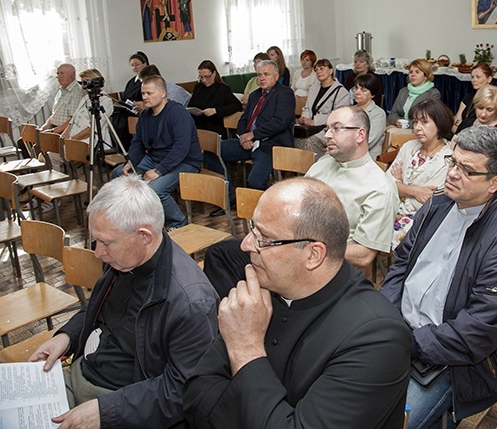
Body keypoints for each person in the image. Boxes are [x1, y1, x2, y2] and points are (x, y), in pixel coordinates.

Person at [184, 178, 411, 429]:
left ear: (313, 255)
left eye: (264, 238)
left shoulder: (377, 338)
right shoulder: (266, 286)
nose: (246, 244)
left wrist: (247, 351)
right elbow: (197, 394)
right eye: (252, 229)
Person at [29, 175, 219, 429]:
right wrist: (66, 337)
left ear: (144, 236)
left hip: (119, 404)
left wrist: (105, 412)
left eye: (106, 243)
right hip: (82, 373)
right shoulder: (123, 259)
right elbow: (99, 310)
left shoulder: (191, 302)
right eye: (95, 241)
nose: (98, 252)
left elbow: (183, 390)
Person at [381, 125, 497, 427]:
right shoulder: (437, 205)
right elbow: (400, 266)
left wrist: (406, 343)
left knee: (389, 420)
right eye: (453, 162)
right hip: (403, 332)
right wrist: (387, 319)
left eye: (467, 170)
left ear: (495, 182)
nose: (452, 173)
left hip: (459, 361)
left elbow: (474, 333)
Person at [305, 106, 398, 278]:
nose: (327, 135)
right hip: (299, 260)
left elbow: (363, 255)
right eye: (327, 129)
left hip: (338, 275)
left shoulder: (380, 188)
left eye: (336, 128)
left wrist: (307, 247)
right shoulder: (321, 165)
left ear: (360, 135)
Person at [113, 75, 203, 230]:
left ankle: (178, 222)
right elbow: (138, 142)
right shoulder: (146, 115)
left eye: (149, 93)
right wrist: (131, 162)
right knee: (118, 175)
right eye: (143, 94)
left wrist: (159, 171)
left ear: (163, 93)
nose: (145, 97)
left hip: (184, 161)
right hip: (156, 158)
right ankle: (137, 217)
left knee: (154, 190)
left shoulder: (178, 113)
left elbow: (181, 147)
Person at [218, 60, 295, 190]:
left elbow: (279, 122)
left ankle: (269, 205)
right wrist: (243, 137)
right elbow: (244, 119)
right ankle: (229, 194)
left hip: (269, 145)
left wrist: (252, 135)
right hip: (247, 142)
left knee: (255, 182)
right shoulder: (255, 95)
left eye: (266, 74)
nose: (262, 78)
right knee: (212, 150)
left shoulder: (285, 93)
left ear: (276, 76)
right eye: (259, 75)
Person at [388, 99, 454, 248]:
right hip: (393, 212)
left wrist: (401, 187)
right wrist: (414, 191)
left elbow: (430, 200)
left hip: (425, 221)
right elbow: (386, 184)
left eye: (424, 122)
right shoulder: (408, 147)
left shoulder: (449, 158)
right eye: (415, 122)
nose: (417, 127)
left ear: (439, 123)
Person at [295, 58, 349, 158]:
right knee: (295, 138)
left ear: (331, 71)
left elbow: (337, 116)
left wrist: (314, 121)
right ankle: (299, 170)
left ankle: (314, 170)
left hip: (327, 129)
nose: (318, 72)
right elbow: (307, 108)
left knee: (309, 142)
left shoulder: (341, 92)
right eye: (316, 70)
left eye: (322, 68)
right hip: (310, 128)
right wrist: (304, 118)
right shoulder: (314, 88)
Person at [187, 60, 242, 136]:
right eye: (201, 77)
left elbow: (237, 106)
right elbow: (191, 105)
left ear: (214, 73)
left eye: (207, 77)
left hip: (214, 127)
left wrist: (215, 110)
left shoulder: (223, 89)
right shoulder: (198, 87)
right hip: (197, 125)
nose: (204, 80)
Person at [63, 68, 114, 149]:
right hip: (75, 141)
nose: (84, 86)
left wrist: (71, 141)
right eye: (82, 83)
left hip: (90, 144)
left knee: (53, 157)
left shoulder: (105, 101)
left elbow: (92, 129)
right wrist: (64, 136)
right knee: (47, 155)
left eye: (86, 82)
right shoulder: (85, 98)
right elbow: (73, 120)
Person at [387, 58, 441, 128]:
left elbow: (428, 120)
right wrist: (397, 121)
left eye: (417, 72)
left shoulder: (433, 93)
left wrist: (406, 124)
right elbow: (392, 114)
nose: (413, 75)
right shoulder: (403, 91)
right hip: (401, 130)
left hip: (420, 132)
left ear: (426, 76)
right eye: (411, 72)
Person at [112, 52, 149, 150]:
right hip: (128, 110)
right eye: (132, 65)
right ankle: (119, 150)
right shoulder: (131, 81)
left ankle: (128, 150)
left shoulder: (148, 81)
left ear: (144, 64)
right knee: (115, 120)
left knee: (123, 123)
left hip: (139, 111)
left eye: (137, 65)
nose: (134, 68)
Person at [41, 64, 85, 134]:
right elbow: (54, 115)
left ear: (73, 75)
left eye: (62, 73)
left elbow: (73, 120)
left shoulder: (77, 91)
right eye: (58, 74)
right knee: (24, 140)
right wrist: (42, 128)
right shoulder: (61, 91)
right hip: (54, 128)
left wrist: (53, 131)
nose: (59, 76)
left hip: (64, 131)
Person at [452, 62, 494, 133]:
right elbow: (457, 122)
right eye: (472, 77)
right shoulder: (468, 98)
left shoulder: (493, 100)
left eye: (478, 77)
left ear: (489, 79)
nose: (473, 80)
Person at [353, 73, 387, 160]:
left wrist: (344, 149)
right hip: (348, 153)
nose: (357, 92)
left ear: (372, 95)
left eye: (363, 90)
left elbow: (368, 141)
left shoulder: (378, 114)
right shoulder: (351, 110)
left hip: (367, 158)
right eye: (356, 88)